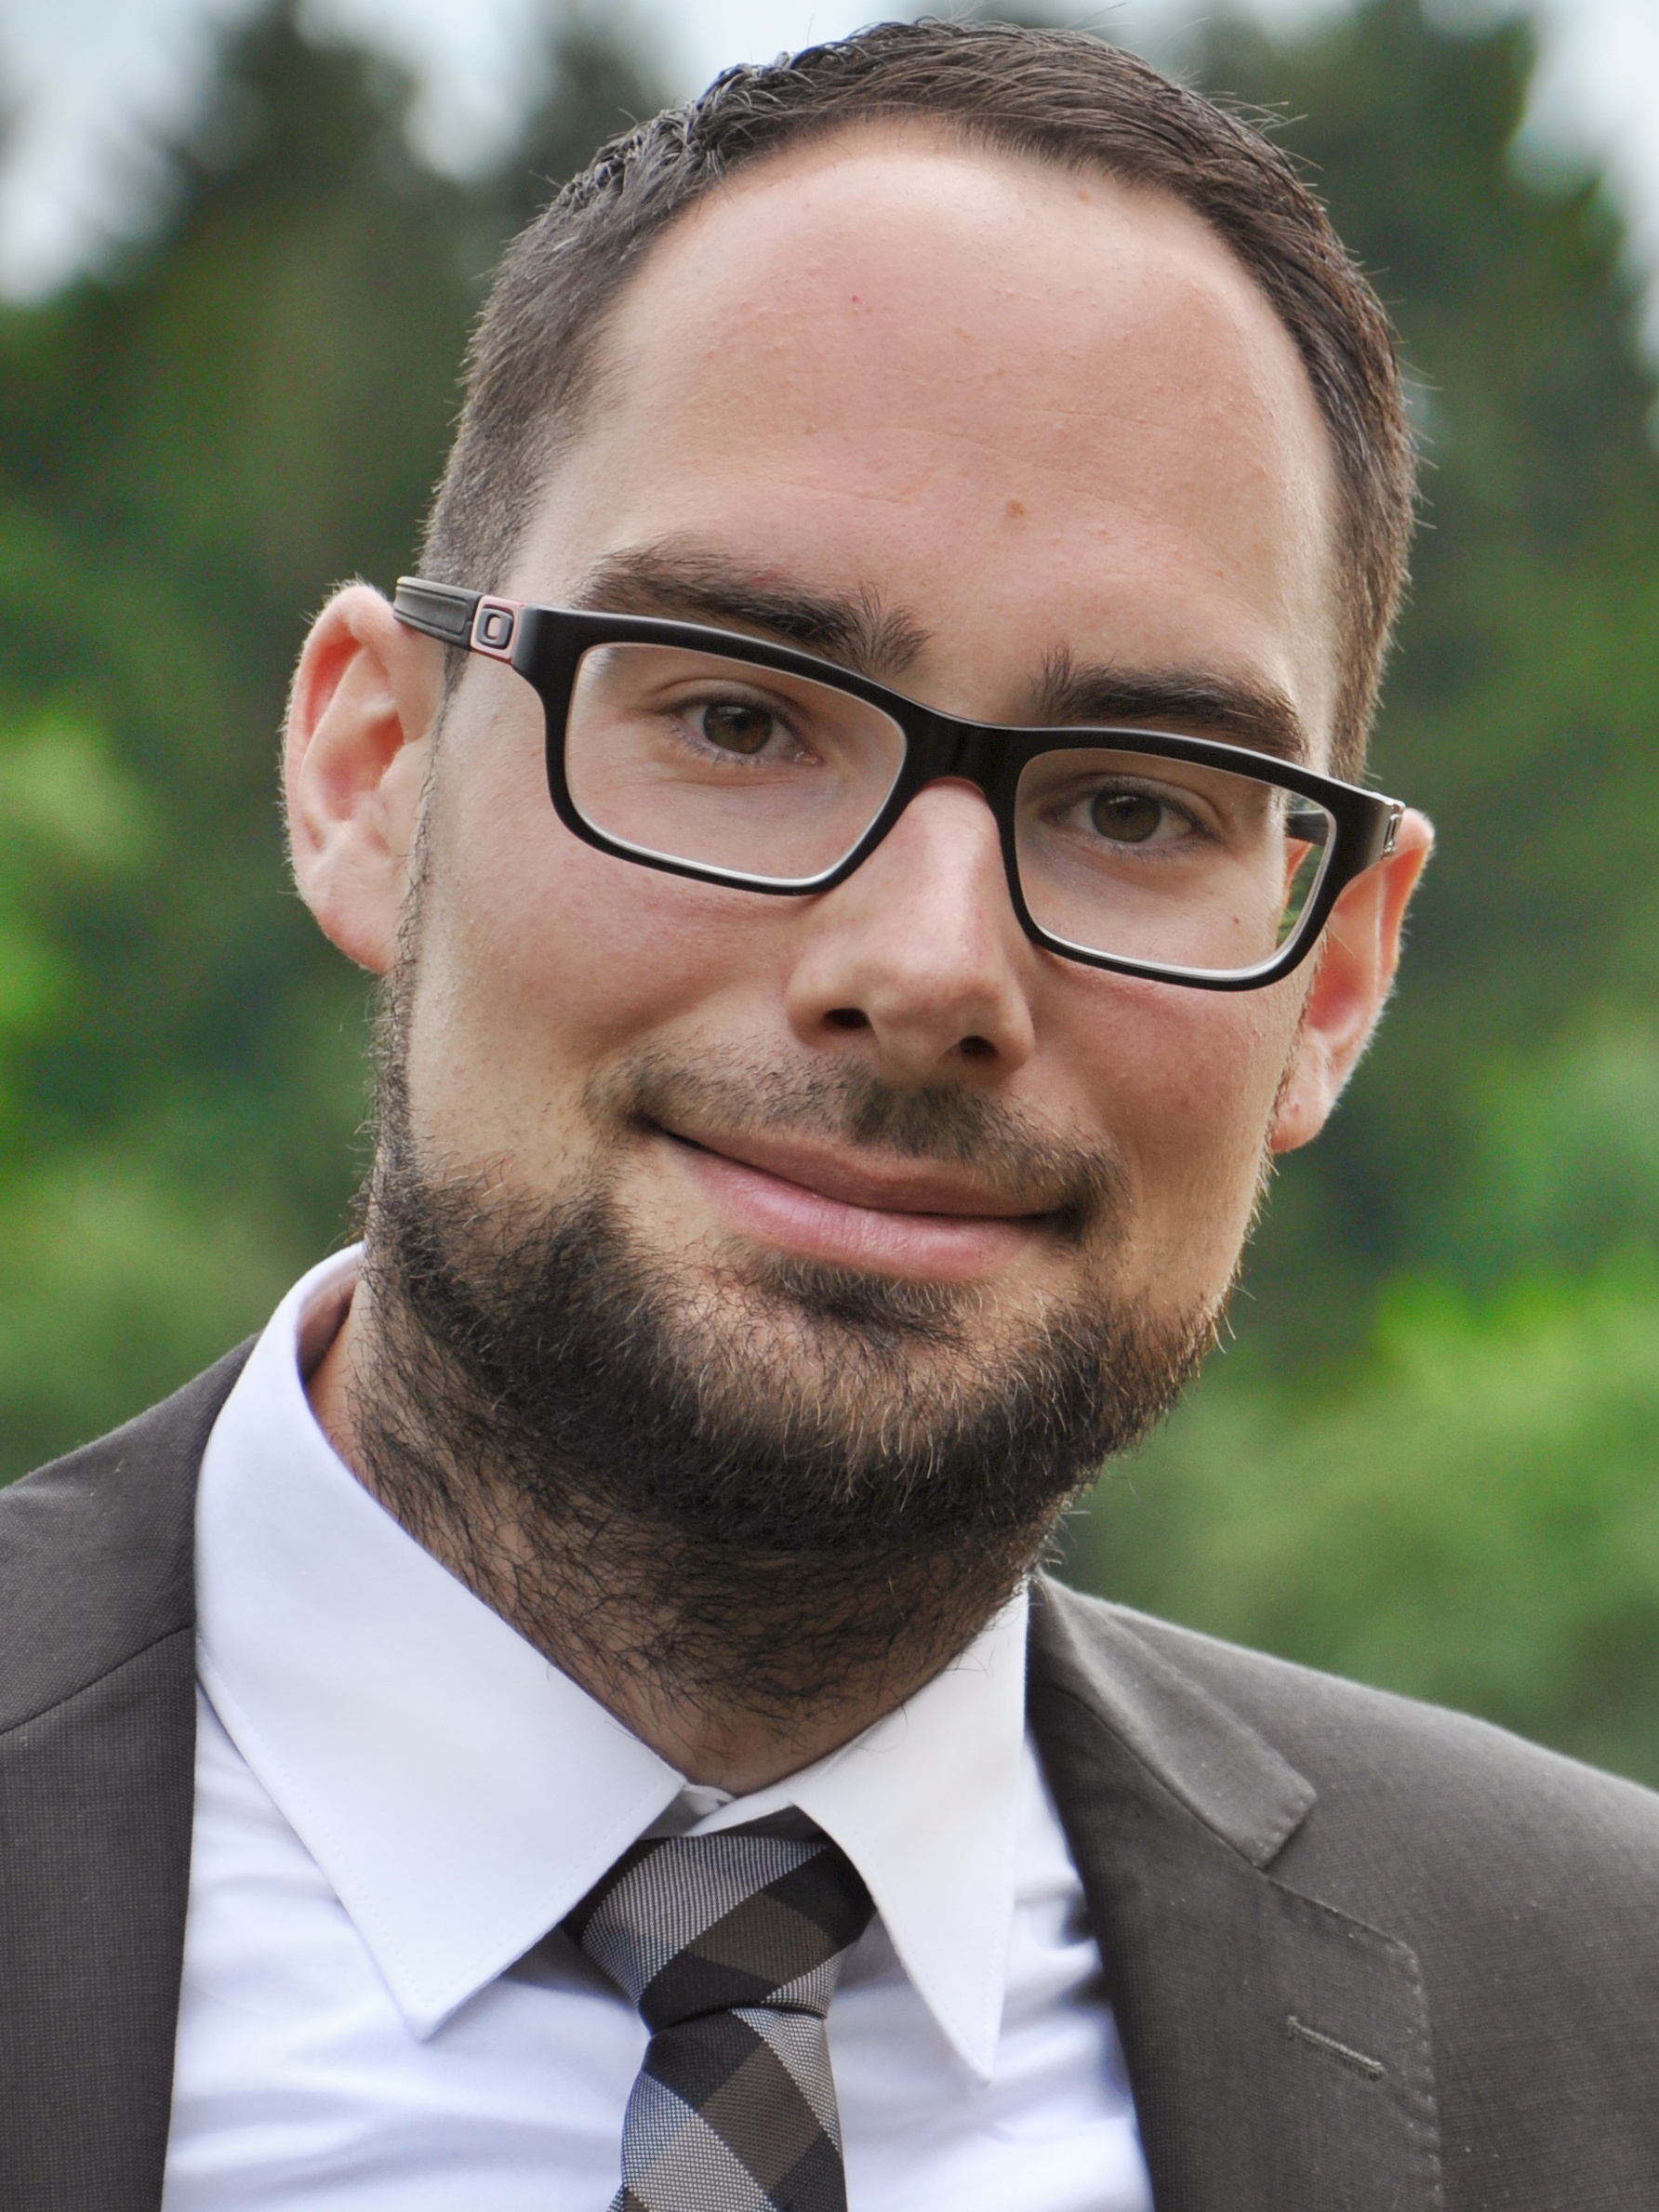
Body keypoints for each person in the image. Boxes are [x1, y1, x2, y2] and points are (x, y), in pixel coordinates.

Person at [2, 18, 1655, 2211]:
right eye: (735, 717)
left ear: (1333, 980)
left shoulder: (1606, 2033)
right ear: (372, 772)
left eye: (1137, 804)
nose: (931, 966)